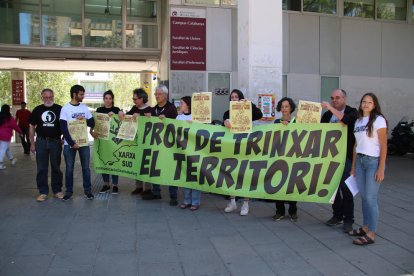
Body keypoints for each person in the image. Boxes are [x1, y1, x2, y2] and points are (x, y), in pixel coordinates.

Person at [349, 92, 387, 246]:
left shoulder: (378, 120)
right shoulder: (358, 121)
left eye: (369, 102)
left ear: (374, 105)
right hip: (360, 162)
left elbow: (384, 144)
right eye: (363, 101)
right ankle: (365, 227)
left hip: (373, 162)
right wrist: (353, 167)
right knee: (364, 197)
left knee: (371, 198)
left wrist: (381, 168)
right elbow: (356, 145)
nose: (365, 104)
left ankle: (371, 233)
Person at [321, 89, 358, 233]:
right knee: (333, 188)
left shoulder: (352, 112)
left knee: (346, 189)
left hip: (346, 157)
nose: (334, 100)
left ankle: (349, 220)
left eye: (337, 98)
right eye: (332, 98)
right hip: (330, 157)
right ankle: (337, 215)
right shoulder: (327, 115)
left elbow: (347, 121)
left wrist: (330, 107)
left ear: (344, 98)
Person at [223, 89, 263, 216]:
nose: (234, 98)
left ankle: (245, 204)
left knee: (246, 174)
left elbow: (260, 114)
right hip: (232, 146)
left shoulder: (248, 110)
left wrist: (249, 104)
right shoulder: (227, 112)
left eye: (236, 97)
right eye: (232, 97)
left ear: (240, 98)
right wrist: (226, 122)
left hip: (246, 146)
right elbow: (224, 122)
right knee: (231, 173)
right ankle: (232, 202)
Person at [142, 85, 178, 205]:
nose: (157, 96)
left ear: (165, 95)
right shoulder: (153, 110)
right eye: (156, 94)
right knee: (154, 168)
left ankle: (173, 196)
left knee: (170, 169)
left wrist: (167, 119)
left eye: (159, 94)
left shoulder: (172, 109)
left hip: (169, 145)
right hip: (156, 145)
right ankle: (156, 192)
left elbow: (177, 125)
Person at [60, 84, 95, 201]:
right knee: (69, 168)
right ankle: (68, 191)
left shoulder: (84, 108)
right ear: (74, 94)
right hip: (69, 144)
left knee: (86, 168)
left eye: (83, 94)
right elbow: (63, 128)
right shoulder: (65, 109)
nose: (83, 96)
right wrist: (71, 143)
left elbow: (92, 123)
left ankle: (88, 190)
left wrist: (84, 119)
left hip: (84, 143)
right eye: (81, 94)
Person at [29, 89, 63, 202]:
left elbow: (67, 125)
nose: (48, 99)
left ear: (53, 97)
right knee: (41, 168)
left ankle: (57, 190)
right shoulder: (37, 110)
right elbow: (31, 126)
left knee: (56, 167)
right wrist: (32, 144)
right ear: (42, 98)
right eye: (45, 97)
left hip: (56, 142)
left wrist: (64, 138)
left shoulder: (59, 109)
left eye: (50, 97)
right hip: (41, 142)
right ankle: (43, 192)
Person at [120, 88, 152, 196]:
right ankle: (138, 187)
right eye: (133, 99)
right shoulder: (134, 108)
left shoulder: (150, 110)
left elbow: (154, 123)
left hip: (147, 142)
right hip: (135, 142)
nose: (134, 101)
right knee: (137, 164)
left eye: (135, 99)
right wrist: (120, 113)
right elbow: (126, 117)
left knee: (146, 165)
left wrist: (143, 117)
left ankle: (147, 189)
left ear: (142, 99)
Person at [272, 97, 298, 221]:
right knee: (278, 183)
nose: (284, 109)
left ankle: (293, 210)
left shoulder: (297, 122)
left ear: (291, 108)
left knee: (292, 184)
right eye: (282, 107)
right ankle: (280, 210)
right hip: (279, 157)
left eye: (286, 106)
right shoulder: (276, 122)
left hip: (293, 157)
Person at [90, 90, 121, 195]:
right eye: (106, 98)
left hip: (113, 141)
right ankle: (106, 184)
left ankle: (115, 185)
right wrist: (91, 132)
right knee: (104, 161)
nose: (108, 100)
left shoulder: (116, 110)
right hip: (102, 140)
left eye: (110, 98)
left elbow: (122, 119)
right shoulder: (99, 110)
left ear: (112, 99)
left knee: (114, 163)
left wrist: (116, 115)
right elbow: (94, 123)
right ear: (103, 100)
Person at [176, 96, 201, 211]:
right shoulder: (178, 117)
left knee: (194, 176)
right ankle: (187, 200)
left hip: (195, 150)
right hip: (183, 149)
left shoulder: (196, 117)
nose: (180, 105)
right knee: (186, 175)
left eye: (182, 103)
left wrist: (194, 124)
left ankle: (195, 201)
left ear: (188, 105)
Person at [0, 104, 22, 170]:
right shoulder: (9, 118)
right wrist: (20, 132)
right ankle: (0, 164)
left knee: (6, 148)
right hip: (5, 136)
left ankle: (12, 160)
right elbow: (15, 126)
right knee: (3, 149)